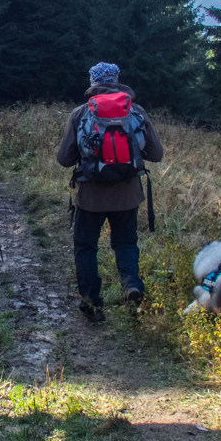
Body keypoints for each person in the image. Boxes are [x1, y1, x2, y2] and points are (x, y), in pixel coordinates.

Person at [57, 62, 163, 323]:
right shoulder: (135, 111)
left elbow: (64, 159)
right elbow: (156, 154)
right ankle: (131, 284)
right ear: (117, 80)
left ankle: (92, 304)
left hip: (90, 196)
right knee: (126, 243)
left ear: (92, 82)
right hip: (127, 194)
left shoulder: (81, 113)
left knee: (86, 247)